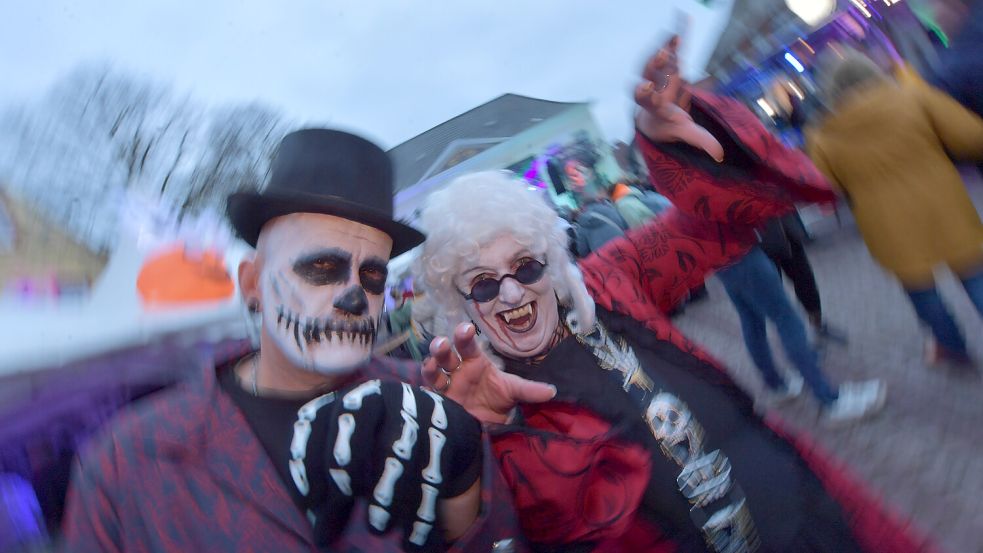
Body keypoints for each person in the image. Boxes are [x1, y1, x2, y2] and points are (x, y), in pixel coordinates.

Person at [413, 37, 934, 553]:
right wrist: (480, 440)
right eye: (482, 282)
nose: (510, 292)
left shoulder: (605, 282)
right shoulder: (484, 400)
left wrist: (677, 143)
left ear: (551, 259)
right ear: (462, 303)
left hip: (809, 511)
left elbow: (727, 217)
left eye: (525, 267)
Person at [60, 129, 530, 552]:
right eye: (321, 268)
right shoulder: (127, 464)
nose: (354, 297)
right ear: (252, 285)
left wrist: (463, 483)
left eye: (372, 277)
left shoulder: (429, 406)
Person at [807, 51, 983, 368]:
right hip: (944, 207)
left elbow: (826, 188)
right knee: (975, 277)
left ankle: (953, 349)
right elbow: (971, 137)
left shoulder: (822, 137)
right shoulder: (913, 97)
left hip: (887, 228)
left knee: (923, 294)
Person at [715, 245, 882, 419]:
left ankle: (776, 385)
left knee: (751, 319)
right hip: (739, 250)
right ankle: (829, 399)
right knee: (786, 320)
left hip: (718, 258)